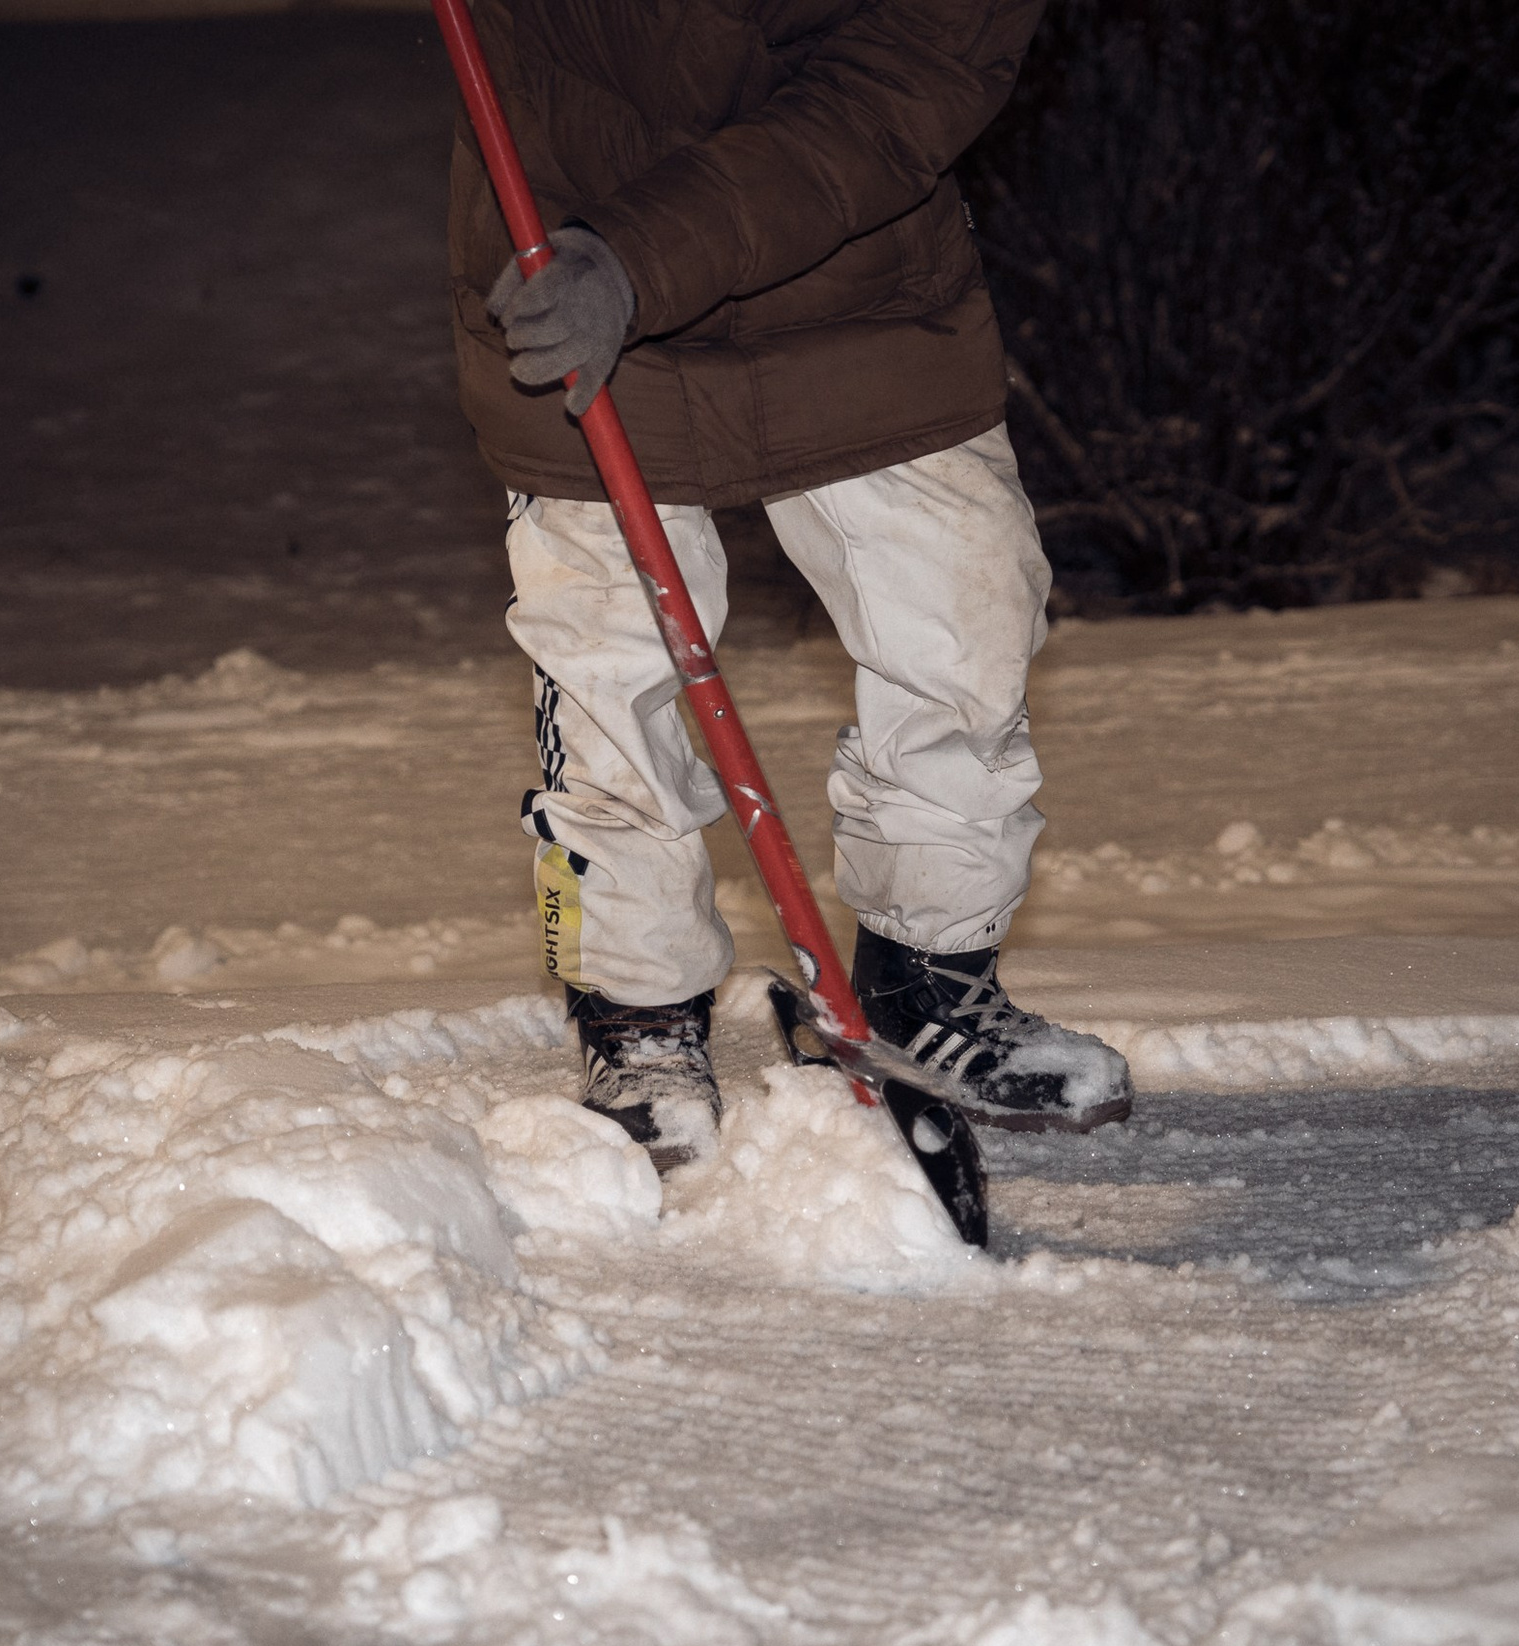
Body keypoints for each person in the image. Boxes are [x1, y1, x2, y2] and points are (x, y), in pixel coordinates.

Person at [449, 0, 1130, 1167]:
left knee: (962, 630)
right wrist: (602, 268)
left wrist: (643, 260)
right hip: (565, 273)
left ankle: (929, 978)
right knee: (610, 671)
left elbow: (904, 78)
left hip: (859, 289)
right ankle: (638, 1010)